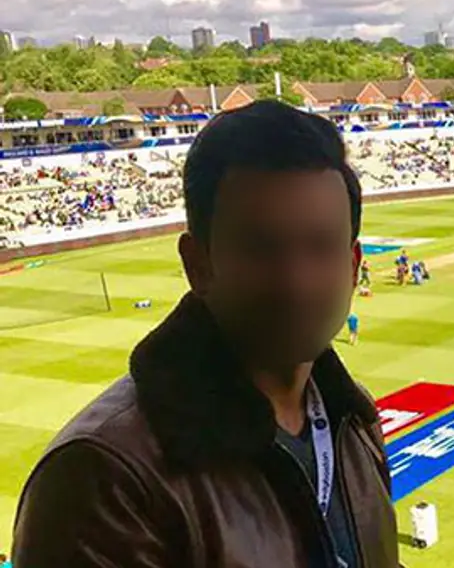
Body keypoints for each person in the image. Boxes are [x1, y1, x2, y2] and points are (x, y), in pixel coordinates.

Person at [10, 101, 399, 567]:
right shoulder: (104, 477)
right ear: (198, 264)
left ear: (353, 266)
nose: (295, 282)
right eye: (261, 248)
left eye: (320, 247)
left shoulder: (353, 419)